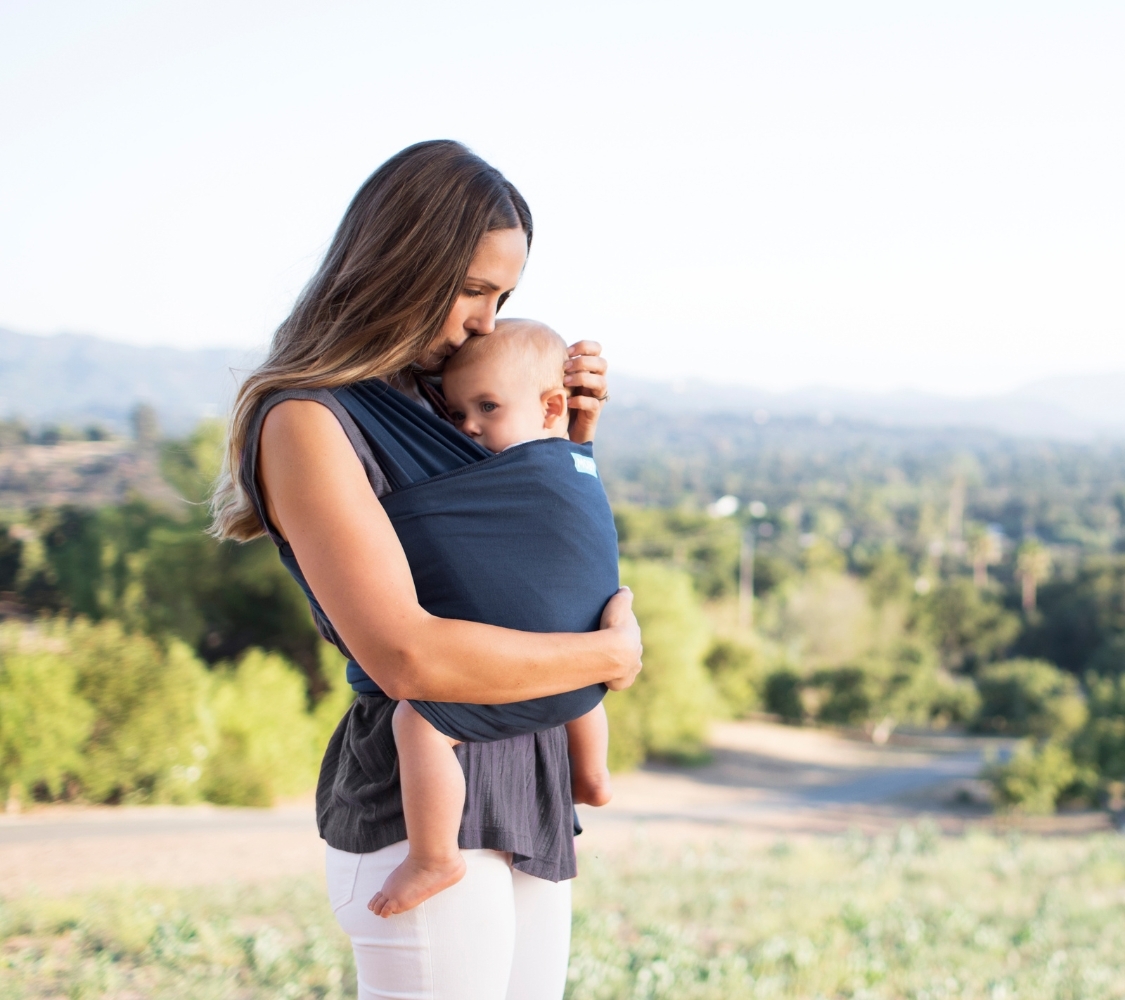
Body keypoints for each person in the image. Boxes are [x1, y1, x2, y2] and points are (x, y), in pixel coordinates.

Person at [210, 140, 643, 1000]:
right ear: (401, 266)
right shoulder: (310, 420)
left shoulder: (452, 399)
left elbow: (520, 562)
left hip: (529, 775)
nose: (486, 320)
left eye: (504, 296)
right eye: (474, 290)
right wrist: (607, 658)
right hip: (422, 801)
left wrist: (565, 441)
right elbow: (407, 654)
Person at [369, 319, 614, 918]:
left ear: (551, 405)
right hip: (585, 676)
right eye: (457, 415)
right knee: (578, 676)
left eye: (487, 406)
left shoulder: (506, 475)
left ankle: (434, 855)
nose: (470, 427)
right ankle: (594, 777)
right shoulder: (578, 462)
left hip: (530, 671)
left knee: (418, 724)